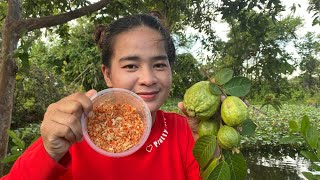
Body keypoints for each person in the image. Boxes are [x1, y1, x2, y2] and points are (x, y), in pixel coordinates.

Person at [2, 14, 201, 180]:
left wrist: (212, 149)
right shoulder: (72, 133)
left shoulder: (186, 132)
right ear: (107, 74)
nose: (148, 79)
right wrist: (48, 153)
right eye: (131, 66)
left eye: (159, 65)